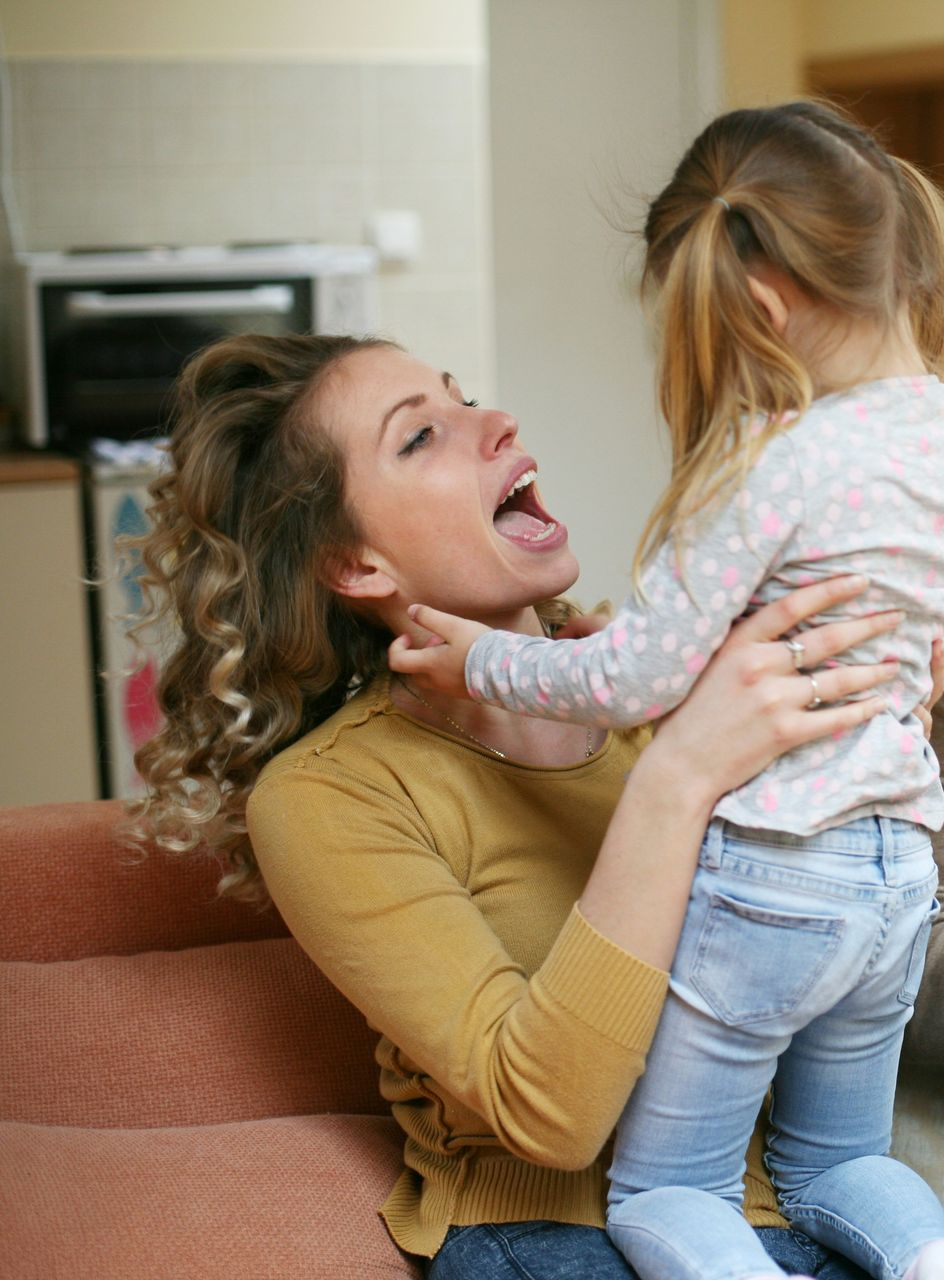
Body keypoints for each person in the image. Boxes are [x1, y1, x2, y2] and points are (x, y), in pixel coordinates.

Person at [127, 329, 938, 1280]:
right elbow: (548, 1116)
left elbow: (848, 964)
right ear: (357, 566)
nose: (494, 420)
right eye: (419, 438)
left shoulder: (673, 690)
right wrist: (678, 778)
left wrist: (893, 737)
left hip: (813, 1205)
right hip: (559, 1238)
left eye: (462, 396)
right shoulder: (330, 796)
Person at [387, 101, 944, 1280]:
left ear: (759, 306)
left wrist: (479, 656)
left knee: (666, 1189)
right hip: (901, 867)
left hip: (780, 874)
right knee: (842, 1167)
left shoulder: (770, 459)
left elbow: (631, 673)